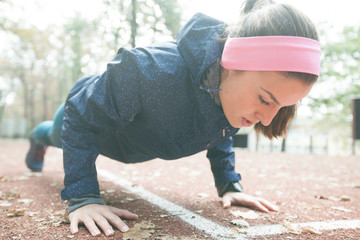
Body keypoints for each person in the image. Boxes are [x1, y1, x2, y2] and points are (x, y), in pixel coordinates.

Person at [25, 0, 321, 237]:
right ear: (232, 63)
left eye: (282, 107)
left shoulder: (233, 98)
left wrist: (229, 184)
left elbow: (219, 132)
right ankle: (37, 138)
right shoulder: (147, 71)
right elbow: (79, 119)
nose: (267, 120)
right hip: (93, 116)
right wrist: (83, 197)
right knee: (54, 133)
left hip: (134, 144)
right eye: (265, 100)